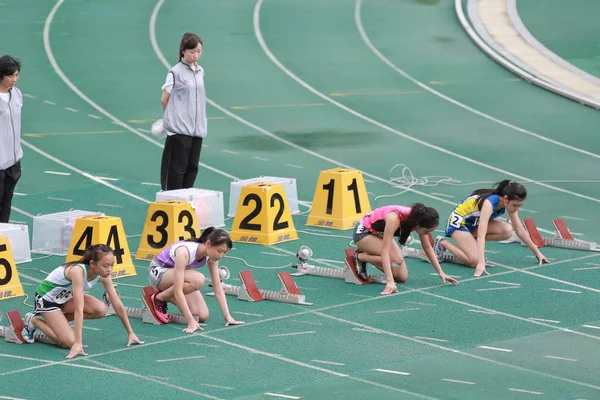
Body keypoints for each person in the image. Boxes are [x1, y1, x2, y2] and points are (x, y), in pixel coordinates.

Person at [21, 244, 144, 358]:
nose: (110, 269)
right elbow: (79, 309)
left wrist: (130, 332)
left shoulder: (104, 275)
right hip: (46, 300)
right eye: (105, 265)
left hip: (65, 299)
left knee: (101, 310)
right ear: (92, 263)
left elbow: (117, 304)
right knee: (69, 342)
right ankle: (34, 320)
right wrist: (78, 343)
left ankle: (60, 322)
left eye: (112, 264)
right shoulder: (77, 271)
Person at [433, 180, 548, 277]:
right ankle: (442, 243)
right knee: (474, 262)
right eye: (515, 205)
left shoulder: (508, 204)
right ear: (506, 199)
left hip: (473, 224)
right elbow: (482, 235)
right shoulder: (489, 203)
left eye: (520, 206)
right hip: (459, 224)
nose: (516, 209)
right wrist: (481, 263)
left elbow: (518, 229)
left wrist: (537, 253)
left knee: (507, 230)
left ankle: (467, 243)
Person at [147, 227, 244, 333]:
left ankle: (165, 296)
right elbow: (178, 290)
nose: (221, 255)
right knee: (198, 279)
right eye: (219, 251)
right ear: (208, 243)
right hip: (159, 273)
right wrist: (190, 321)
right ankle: (159, 298)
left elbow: (217, 286)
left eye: (224, 252)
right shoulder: (184, 252)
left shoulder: (212, 256)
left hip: (176, 276)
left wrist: (228, 316)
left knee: (201, 315)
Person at [351, 203, 458, 296]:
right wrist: (390, 281)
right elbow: (385, 251)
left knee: (401, 277)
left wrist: (441, 272)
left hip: (379, 234)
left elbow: (427, 247)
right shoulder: (394, 219)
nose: (426, 234)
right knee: (395, 259)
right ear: (418, 224)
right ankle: (361, 257)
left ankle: (365, 255)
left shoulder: (419, 219)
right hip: (363, 234)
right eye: (426, 231)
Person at [160, 32, 207, 191]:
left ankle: (186, 200)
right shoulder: (175, 72)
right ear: (183, 51)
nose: (196, 55)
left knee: (192, 167)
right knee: (177, 169)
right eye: (192, 52)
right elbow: (164, 99)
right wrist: (172, 120)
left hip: (197, 129)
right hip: (180, 130)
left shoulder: (200, 71)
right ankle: (173, 201)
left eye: (199, 51)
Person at [0, 55, 23, 223]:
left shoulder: (17, 94)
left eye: (16, 75)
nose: (14, 79)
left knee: (7, 202)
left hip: (13, 160)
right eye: (10, 75)